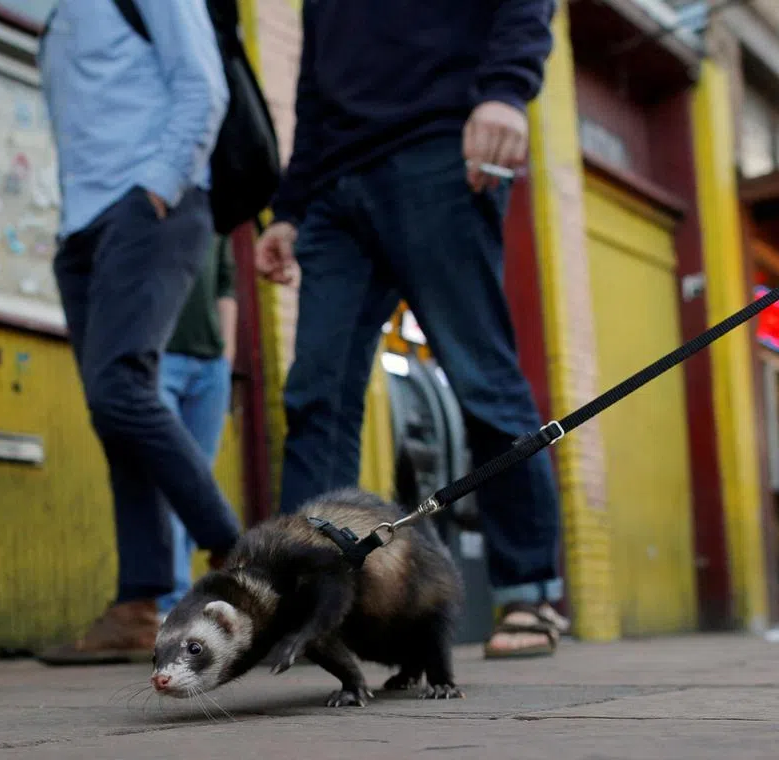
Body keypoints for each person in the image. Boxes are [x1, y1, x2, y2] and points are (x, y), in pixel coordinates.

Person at [252, 0, 569, 658]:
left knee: (481, 376)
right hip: (335, 189)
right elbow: (313, 92)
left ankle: (529, 589)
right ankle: (310, 596)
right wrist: (287, 209)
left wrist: (507, 91)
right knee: (316, 395)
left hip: (439, 151)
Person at [35, 0, 242, 664]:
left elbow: (202, 83)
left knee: (120, 388)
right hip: (83, 226)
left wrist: (158, 184)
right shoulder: (56, 20)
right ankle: (137, 604)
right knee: (113, 408)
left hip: (149, 202)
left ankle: (237, 551)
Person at [156, 236, 238, 619]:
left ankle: (178, 600)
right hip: (159, 354)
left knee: (198, 481)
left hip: (210, 365)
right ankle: (168, 602)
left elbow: (225, 284)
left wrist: (226, 356)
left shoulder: (215, 213)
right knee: (169, 476)